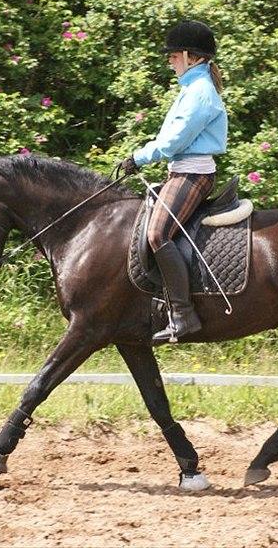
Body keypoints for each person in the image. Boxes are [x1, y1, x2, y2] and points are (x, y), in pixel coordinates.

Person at [120, 19, 228, 343]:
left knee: (156, 233)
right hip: (181, 170)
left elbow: (173, 142)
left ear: (189, 55)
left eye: (172, 56)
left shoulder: (200, 92)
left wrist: (138, 157)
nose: (169, 61)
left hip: (193, 174)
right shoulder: (191, 88)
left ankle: (183, 315)